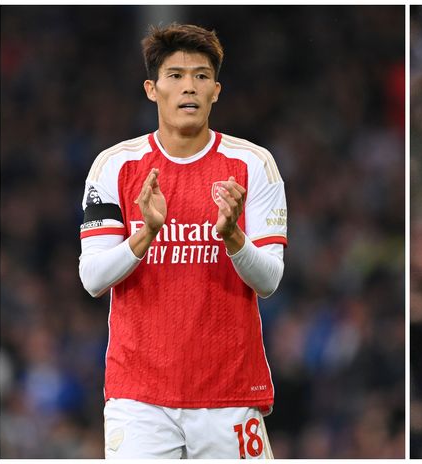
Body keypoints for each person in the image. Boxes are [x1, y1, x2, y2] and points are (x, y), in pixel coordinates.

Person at [78, 23, 287, 459]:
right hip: (139, 398)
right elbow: (93, 277)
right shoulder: (115, 166)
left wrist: (232, 236)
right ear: (152, 89)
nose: (188, 87)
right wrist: (146, 234)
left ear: (216, 91)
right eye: (175, 75)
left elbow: (269, 280)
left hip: (229, 394)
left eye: (201, 76)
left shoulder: (253, 164)